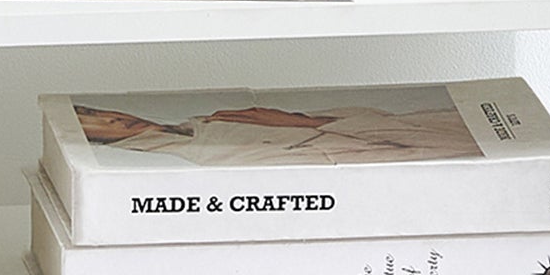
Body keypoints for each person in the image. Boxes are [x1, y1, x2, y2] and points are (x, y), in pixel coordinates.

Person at [74, 94, 479, 166]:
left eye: (98, 110)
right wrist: (305, 123)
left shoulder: (204, 123)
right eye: (94, 122)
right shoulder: (195, 153)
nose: (111, 117)